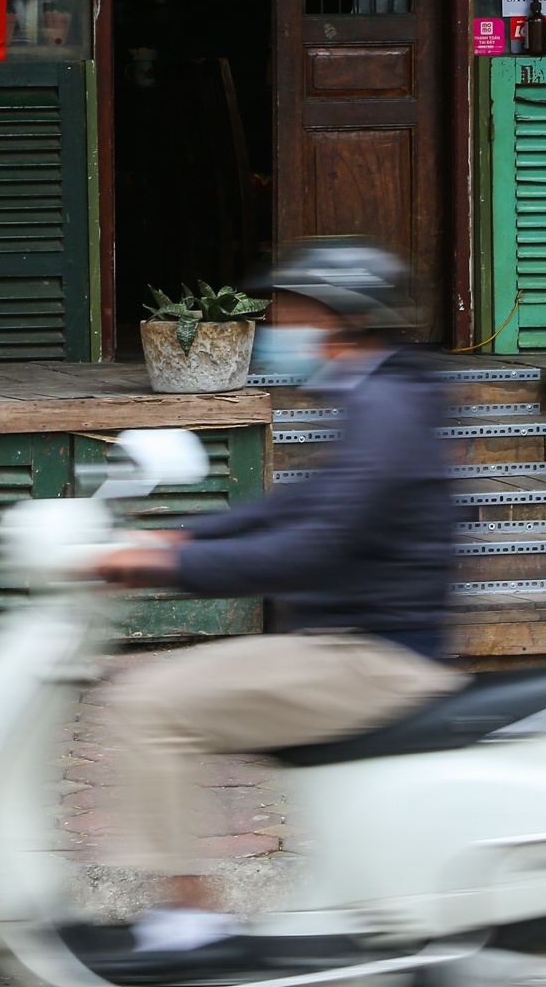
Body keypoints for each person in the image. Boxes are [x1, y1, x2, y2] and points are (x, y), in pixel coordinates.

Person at [91, 239, 463, 954]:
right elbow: (299, 506)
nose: (277, 327)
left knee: (148, 703)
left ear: (338, 319)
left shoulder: (384, 410)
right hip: (358, 644)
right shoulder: (382, 396)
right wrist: (181, 537)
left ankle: (190, 914)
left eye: (290, 312)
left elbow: (310, 546)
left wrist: (168, 568)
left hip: (372, 658)